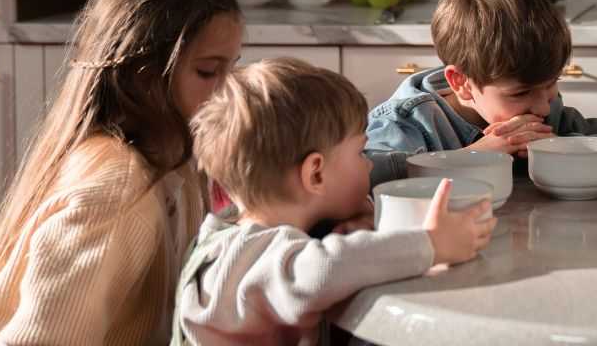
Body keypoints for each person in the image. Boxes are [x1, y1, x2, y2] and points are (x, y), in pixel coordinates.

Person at [0, 0, 244, 344]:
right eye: (209, 72)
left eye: (234, 69)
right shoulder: (115, 193)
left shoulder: (179, 158)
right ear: (142, 75)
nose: (231, 91)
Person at [171, 58, 494, 345]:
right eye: (359, 152)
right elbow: (324, 267)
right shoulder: (251, 259)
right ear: (316, 174)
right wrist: (432, 244)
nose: (369, 163)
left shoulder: (241, 236)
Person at [365, 0, 597, 159]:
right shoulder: (407, 123)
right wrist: (472, 156)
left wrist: (563, 147)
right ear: (461, 83)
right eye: (521, 92)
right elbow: (367, 175)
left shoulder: (547, 110)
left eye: (552, 83)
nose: (544, 106)